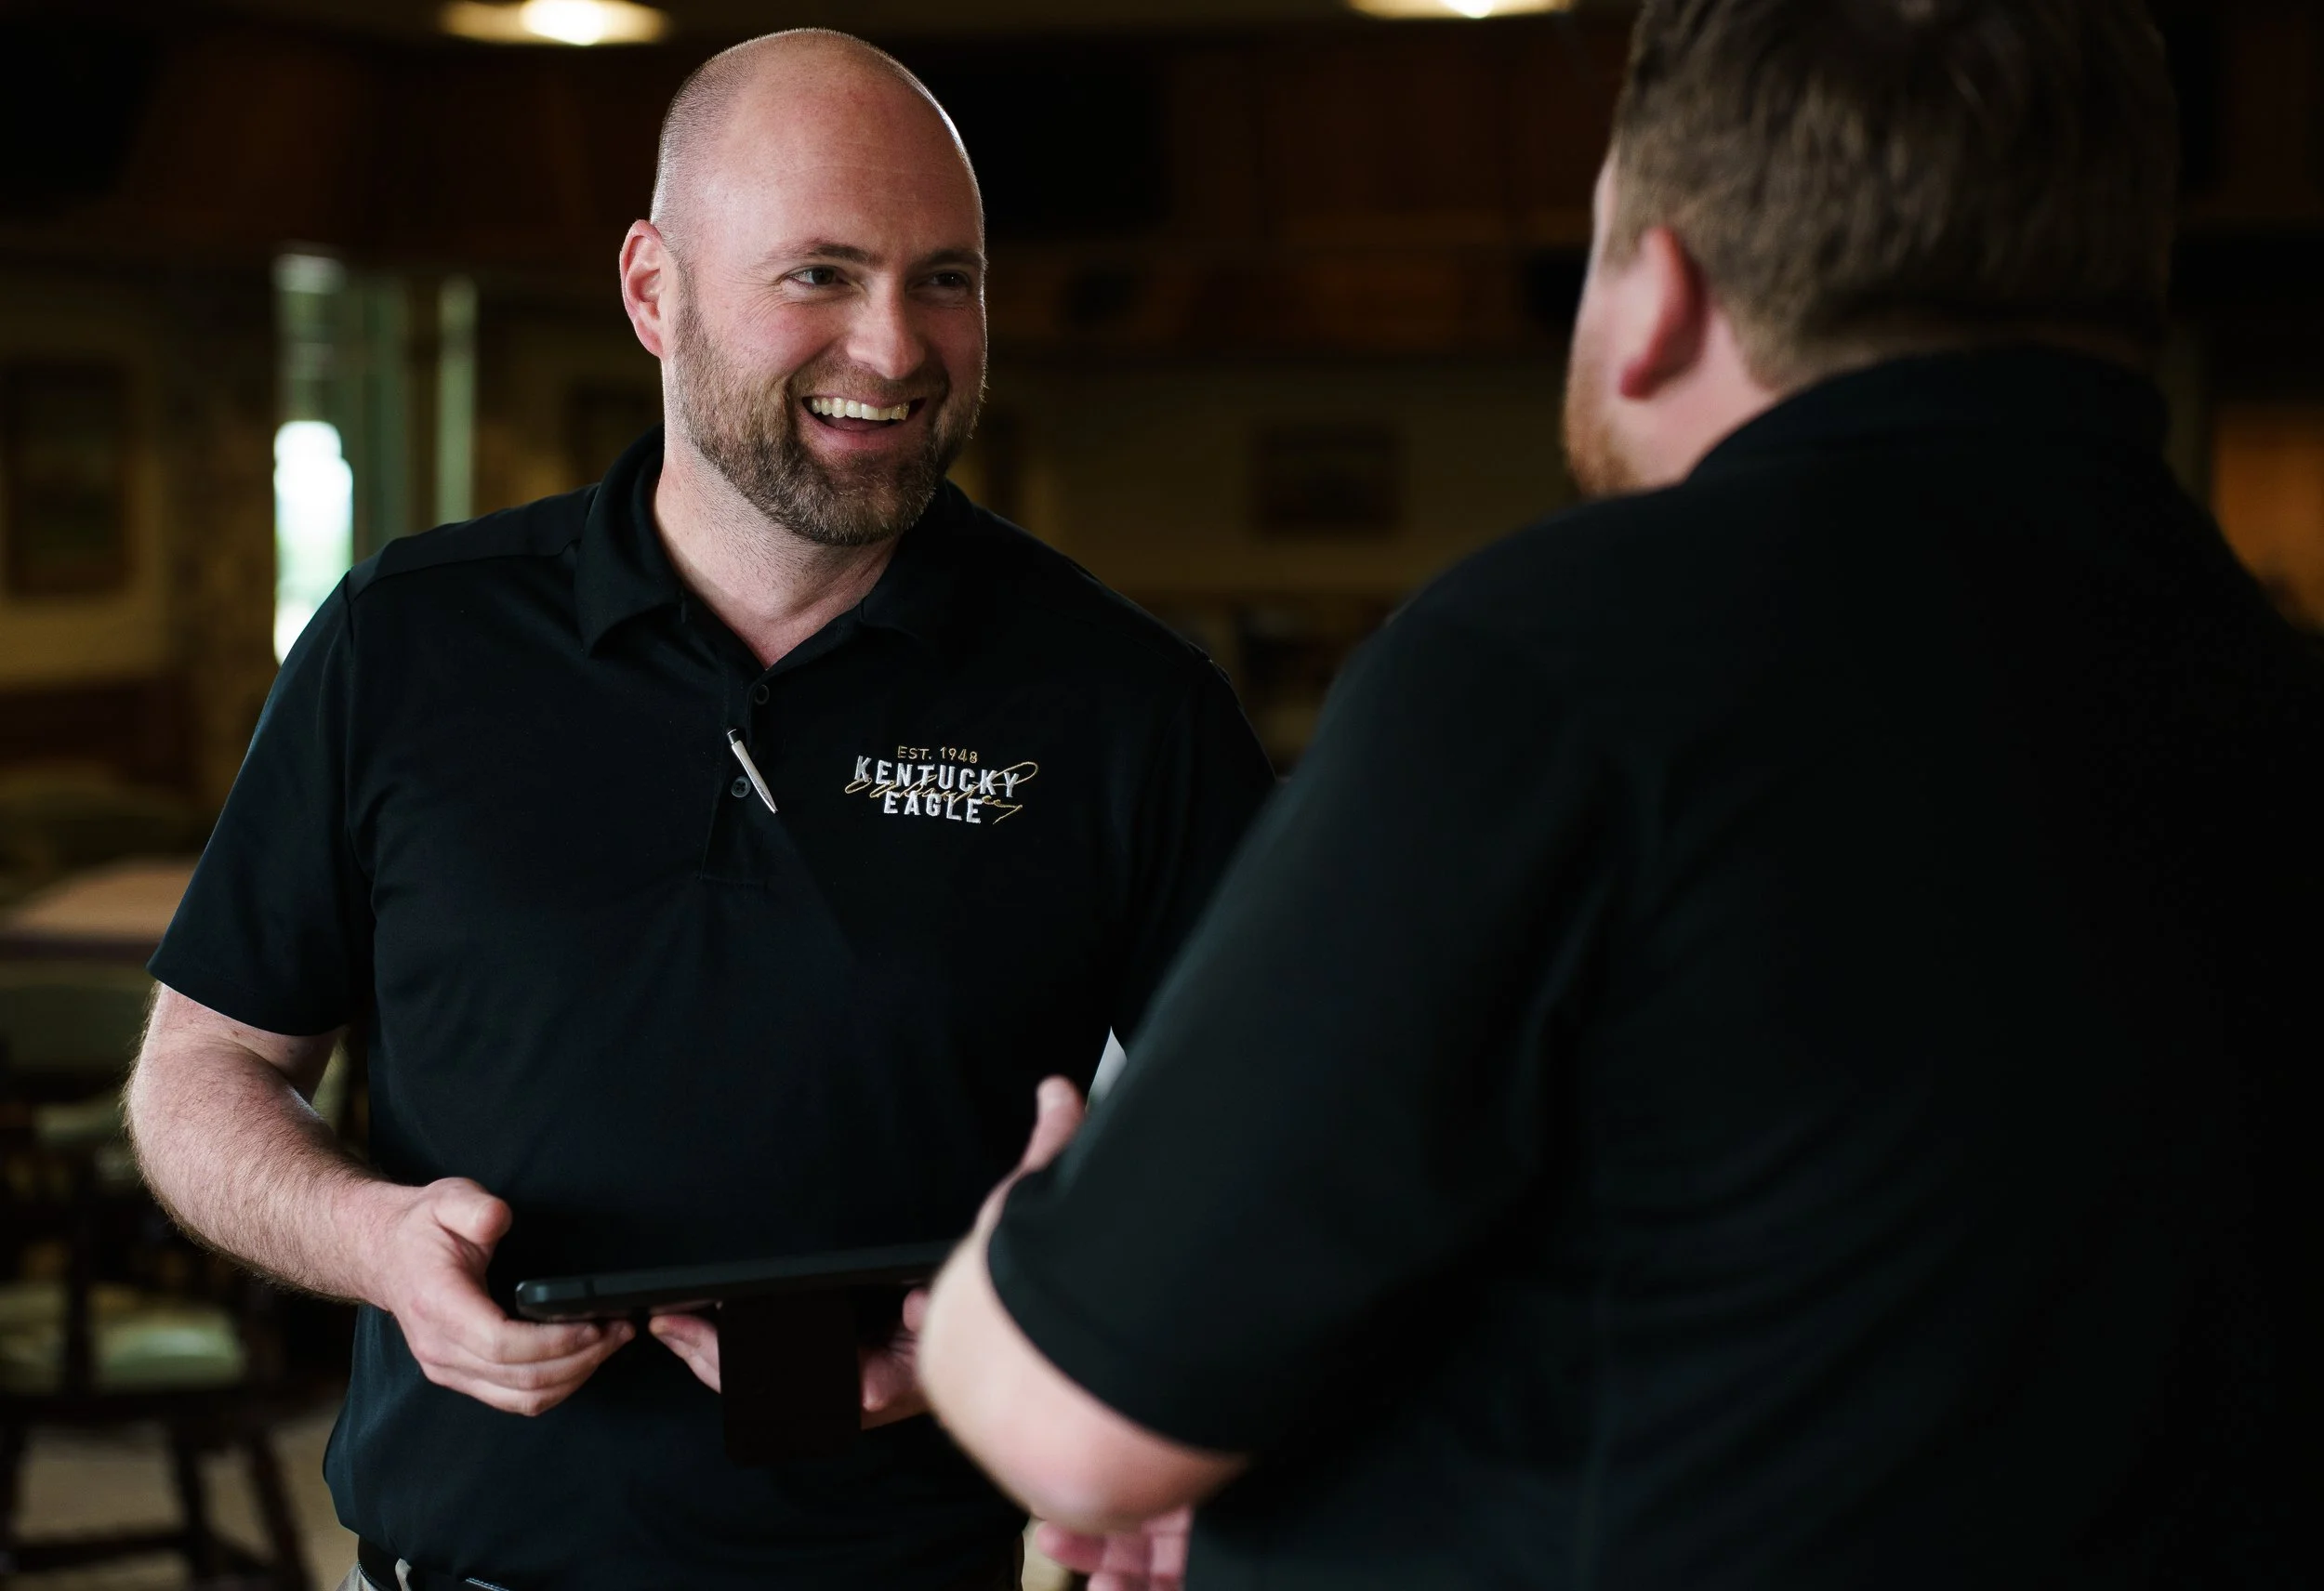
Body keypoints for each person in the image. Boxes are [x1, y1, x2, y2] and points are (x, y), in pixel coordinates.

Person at [917, 2, 2324, 1586]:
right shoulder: (2268, 692)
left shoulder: (1556, 664)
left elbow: (1076, 1418)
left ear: (1656, 290)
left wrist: (1013, 1273)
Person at [125, 30, 1272, 1591]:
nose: (897, 346)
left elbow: (1282, 1147)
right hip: (454, 1568)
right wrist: (373, 1244)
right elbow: (203, 1074)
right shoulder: (407, 643)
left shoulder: (1125, 702)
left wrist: (1036, 1305)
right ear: (652, 289)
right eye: (820, 274)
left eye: (947, 279)